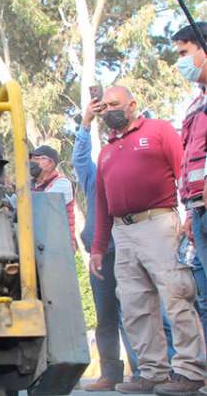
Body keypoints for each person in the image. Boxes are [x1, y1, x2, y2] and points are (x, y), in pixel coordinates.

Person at [90, 86, 205, 394]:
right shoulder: (106, 152)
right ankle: (152, 372)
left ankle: (190, 371)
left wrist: (190, 214)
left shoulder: (158, 130)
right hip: (122, 232)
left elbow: (183, 169)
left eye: (116, 104)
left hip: (159, 223)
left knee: (176, 296)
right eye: (106, 106)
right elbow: (101, 203)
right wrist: (98, 248)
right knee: (134, 305)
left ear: (132, 105)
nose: (110, 109)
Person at [72, 107, 140, 390]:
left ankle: (144, 371)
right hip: (101, 253)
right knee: (106, 316)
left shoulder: (133, 166)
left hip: (129, 247)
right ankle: (110, 374)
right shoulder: (94, 174)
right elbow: (79, 158)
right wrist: (86, 123)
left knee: (139, 311)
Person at [172, 22, 207, 344]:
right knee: (204, 298)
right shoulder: (197, 102)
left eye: (185, 53)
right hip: (196, 208)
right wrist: (187, 213)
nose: (180, 62)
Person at [29, 145, 76, 249]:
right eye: (32, 159)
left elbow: (43, 206)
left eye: (37, 158)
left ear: (51, 163)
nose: (32, 162)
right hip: (38, 245)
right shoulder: (30, 185)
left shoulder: (62, 183)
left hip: (59, 246)